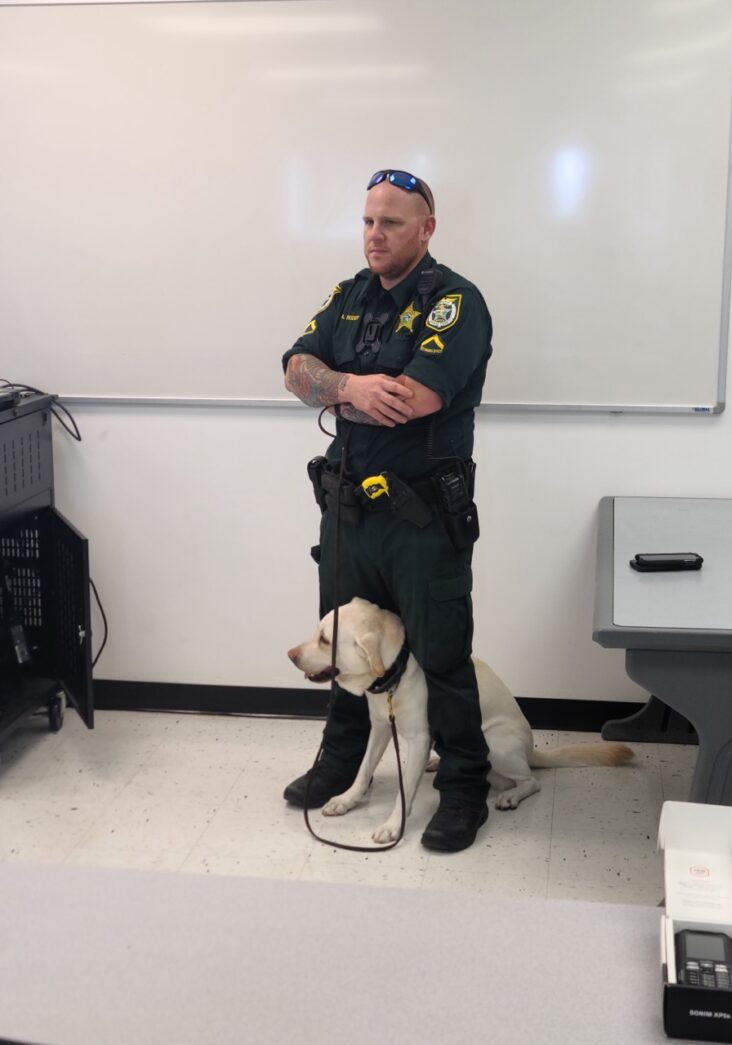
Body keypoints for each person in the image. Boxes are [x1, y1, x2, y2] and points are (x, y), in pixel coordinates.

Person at [281, 169, 493, 852]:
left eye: (391, 223)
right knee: (347, 647)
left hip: (421, 521)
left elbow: (414, 399)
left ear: (425, 229)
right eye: (369, 221)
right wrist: (349, 386)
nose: (375, 234)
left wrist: (335, 388)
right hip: (349, 513)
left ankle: (463, 787)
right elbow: (294, 370)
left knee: (442, 654)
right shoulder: (349, 296)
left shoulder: (454, 302)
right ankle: (342, 762)